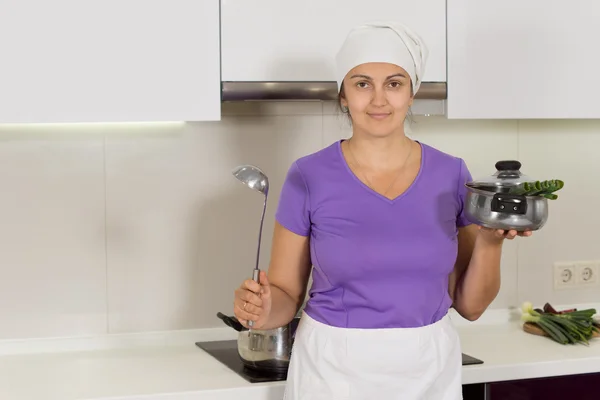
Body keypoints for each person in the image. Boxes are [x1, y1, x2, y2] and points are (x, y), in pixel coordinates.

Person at [233, 21, 532, 400]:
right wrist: (260, 307)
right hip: (332, 371)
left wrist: (492, 241)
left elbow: (471, 307)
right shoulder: (308, 175)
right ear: (343, 96)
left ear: (412, 94)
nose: (378, 100)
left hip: (429, 369)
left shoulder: (452, 174)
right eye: (362, 84)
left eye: (394, 84)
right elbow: (285, 297)